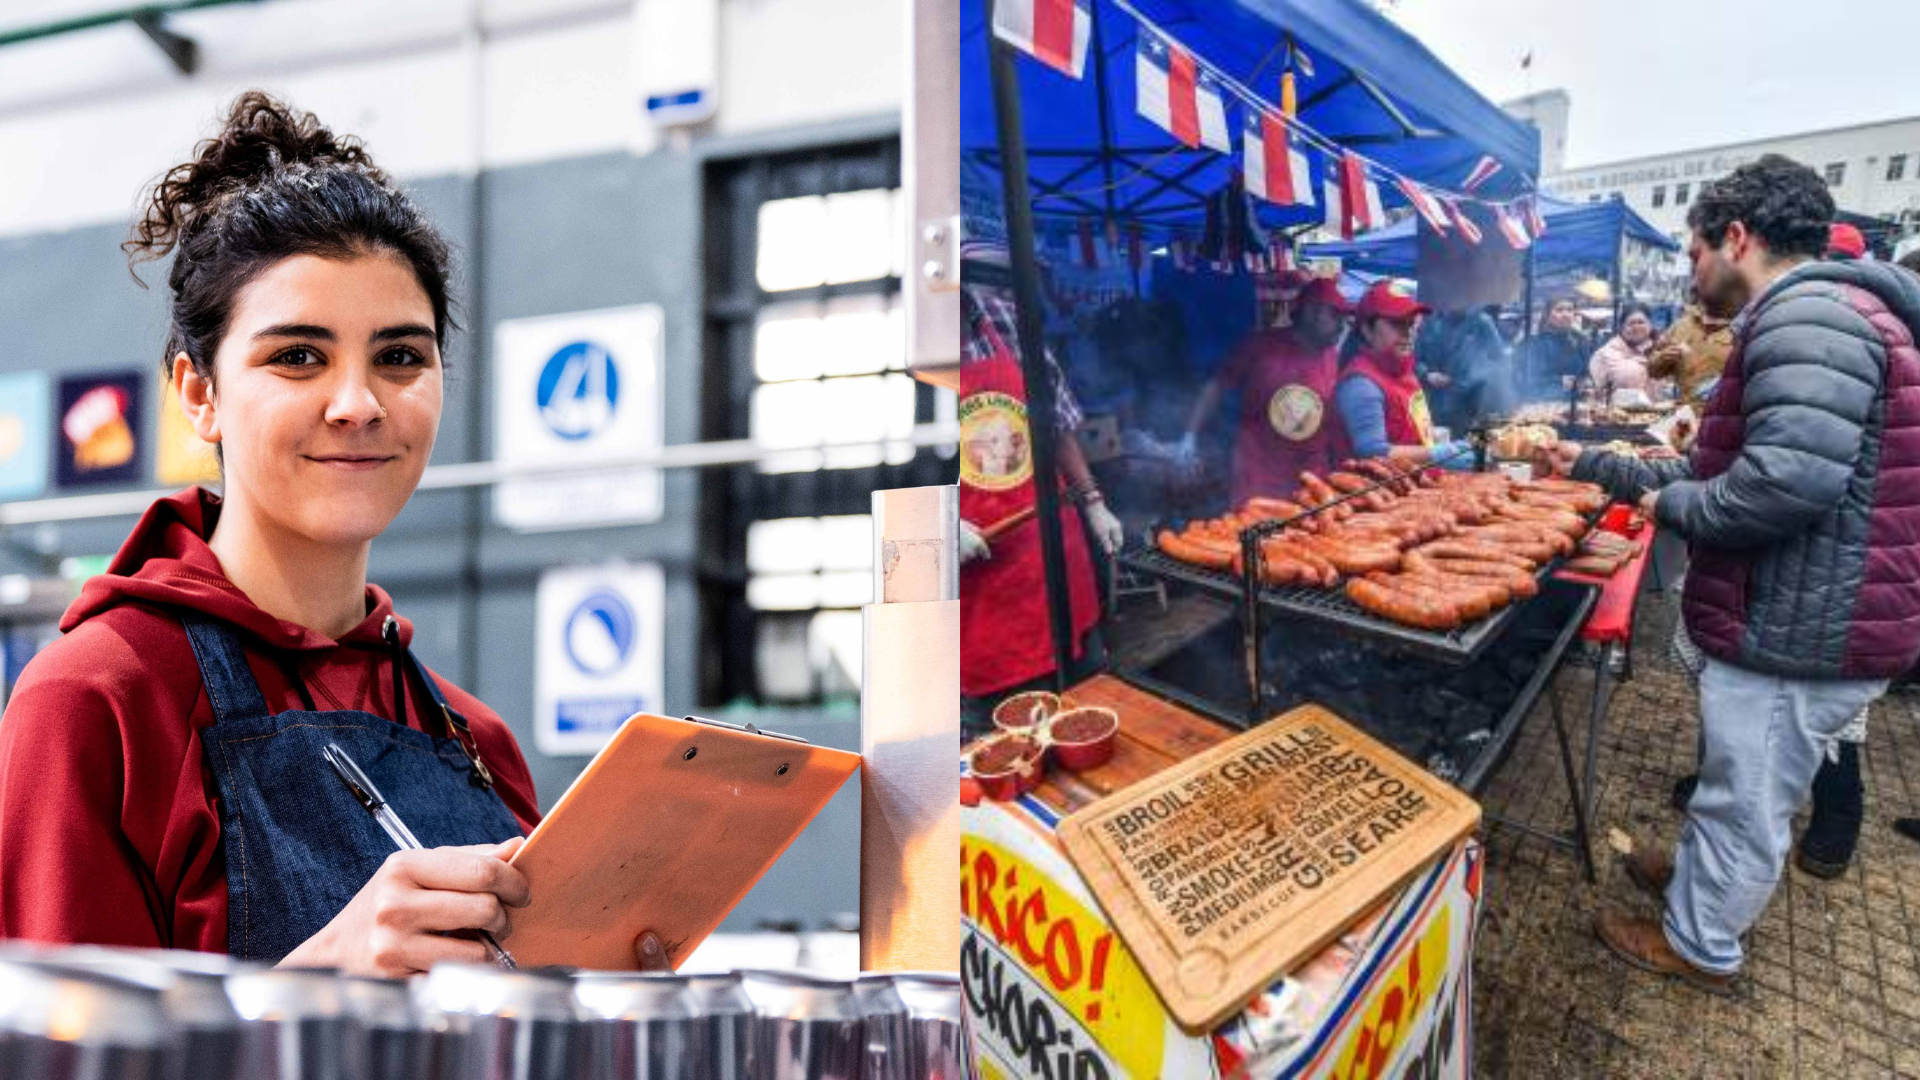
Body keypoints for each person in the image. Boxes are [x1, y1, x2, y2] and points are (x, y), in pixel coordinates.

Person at [0, 93, 670, 975]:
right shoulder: (100, 701)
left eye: (400, 357)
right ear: (198, 394)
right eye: (297, 356)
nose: (358, 405)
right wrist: (316, 987)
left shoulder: (478, 742)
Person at [1543, 154, 1920, 993]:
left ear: (1736, 238)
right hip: (1803, 605)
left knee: (1748, 795)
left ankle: (1699, 944)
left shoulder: (1808, 320)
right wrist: (1610, 469)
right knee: (1737, 781)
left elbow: (1782, 485)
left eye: (1692, 253)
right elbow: (1746, 469)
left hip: (1802, 618)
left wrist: (1665, 510)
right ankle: (1698, 883)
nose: (1691, 274)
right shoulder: (1824, 314)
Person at [958, 242, 1124, 740]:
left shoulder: (1008, 321)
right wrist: (933, 520)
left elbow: (1059, 424)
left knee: (1086, 704)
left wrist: (1093, 501)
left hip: (1055, 555)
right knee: (1011, 739)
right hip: (984, 583)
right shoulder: (915, 350)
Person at [1175, 277, 1352, 503]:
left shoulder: (1334, 361)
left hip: (1311, 482)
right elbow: (1216, 386)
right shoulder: (1260, 347)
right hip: (1258, 478)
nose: (1342, 325)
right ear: (1309, 312)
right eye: (1335, 315)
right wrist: (1189, 436)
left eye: (1345, 318)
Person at [1334, 279, 1475, 468]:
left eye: (1411, 324)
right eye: (1397, 323)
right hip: (1377, 492)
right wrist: (1436, 454)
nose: (1408, 333)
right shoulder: (1360, 384)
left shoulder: (1401, 370)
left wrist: (1435, 439)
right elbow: (1372, 452)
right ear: (1367, 330)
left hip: (1414, 485)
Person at [1413, 303, 1510, 432]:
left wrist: (1474, 377)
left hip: (1468, 405)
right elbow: (1414, 359)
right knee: (1436, 445)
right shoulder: (1430, 322)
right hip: (1433, 404)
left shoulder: (1482, 322)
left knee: (1464, 446)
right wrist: (1427, 375)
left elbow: (1499, 360)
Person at [1647, 296, 1734, 405]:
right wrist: (1662, 358)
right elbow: (1653, 371)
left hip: (1724, 415)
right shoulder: (1680, 325)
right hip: (1683, 414)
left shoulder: (1741, 327)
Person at [1514, 296, 1593, 401]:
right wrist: (1560, 381)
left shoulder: (1579, 340)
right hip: (1543, 403)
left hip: (1577, 402)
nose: (1566, 315)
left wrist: (1586, 383)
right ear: (1547, 315)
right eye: (1559, 310)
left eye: (1570, 309)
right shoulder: (1535, 342)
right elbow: (1527, 378)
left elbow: (1586, 371)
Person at [1586, 303, 1659, 398]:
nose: (1636, 327)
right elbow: (1626, 376)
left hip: (1658, 411)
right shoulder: (1606, 353)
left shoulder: (1658, 350)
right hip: (1615, 411)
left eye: (1641, 322)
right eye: (1631, 323)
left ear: (1650, 325)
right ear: (1622, 327)